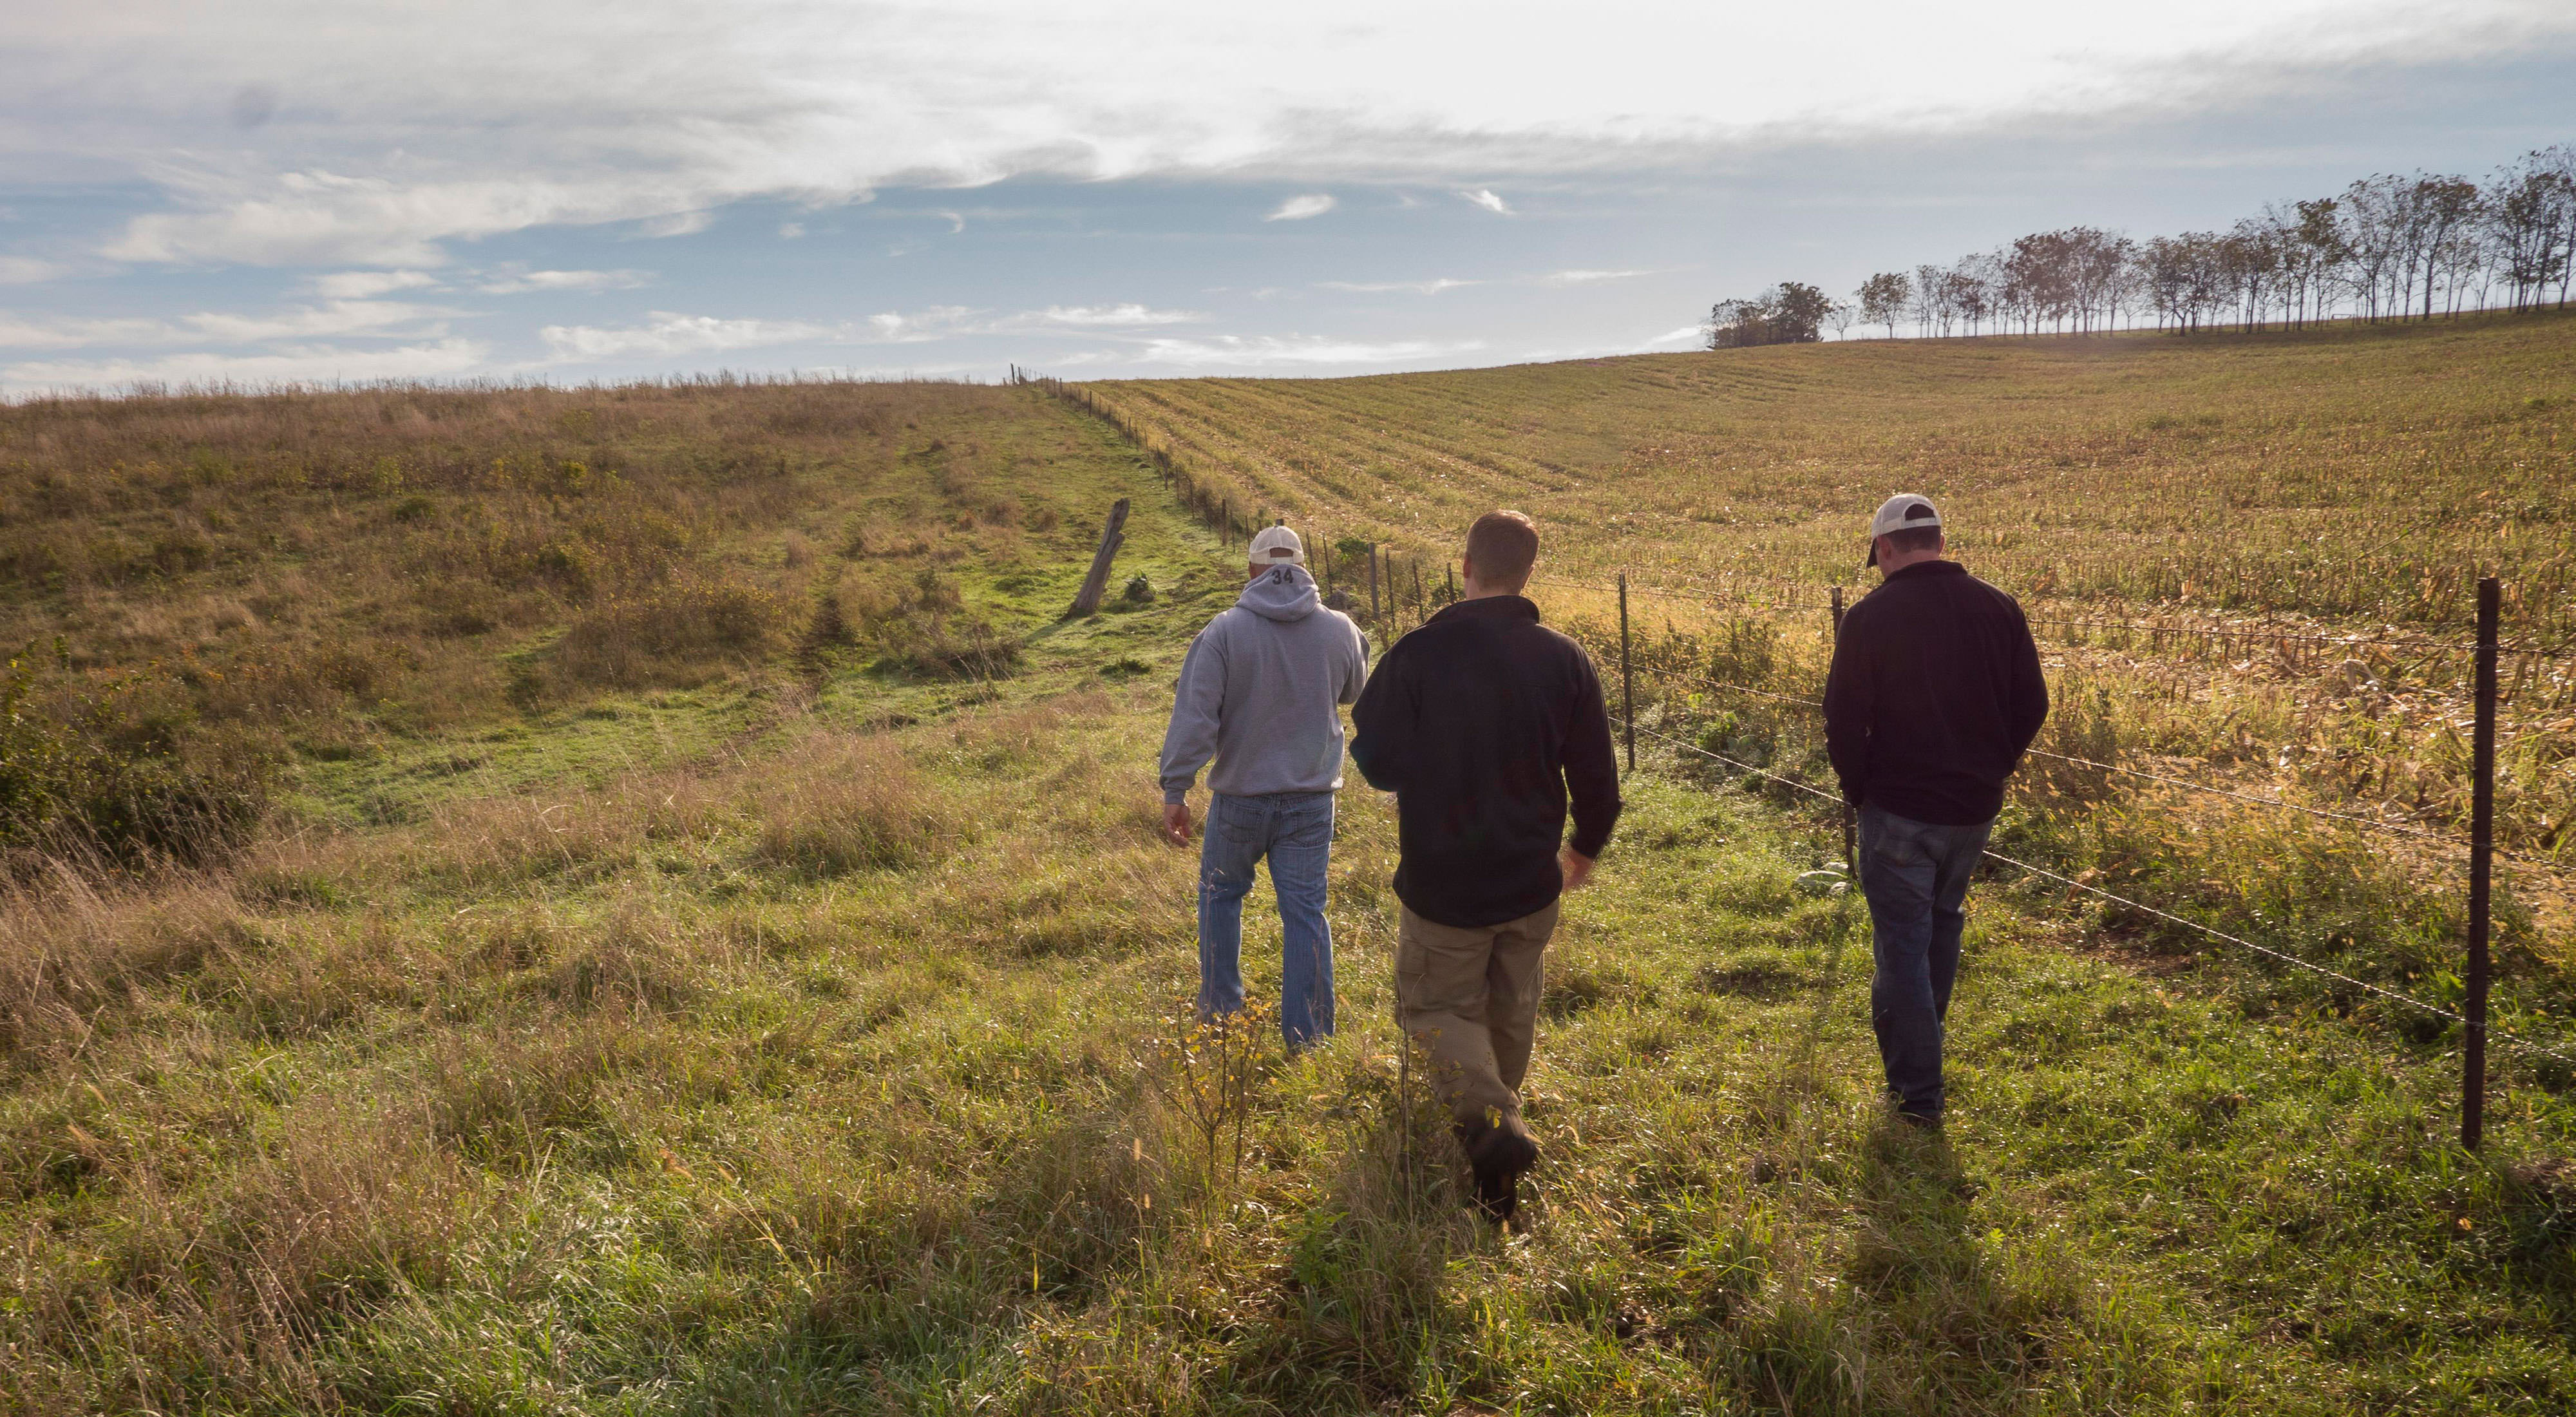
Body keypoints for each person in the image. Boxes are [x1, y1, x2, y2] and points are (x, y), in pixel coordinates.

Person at [1350, 510, 1622, 1223]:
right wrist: (1584, 847)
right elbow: (1598, 776)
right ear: (1529, 571)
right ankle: (1497, 1164)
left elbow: (1375, 762)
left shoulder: (1416, 655)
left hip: (1444, 880)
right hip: (1532, 877)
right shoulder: (1564, 658)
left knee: (1436, 1007)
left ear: (1463, 564)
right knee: (1510, 1009)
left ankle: (1496, 1131)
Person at [1823, 493, 2047, 1132]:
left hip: (1897, 810)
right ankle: (1922, 1054)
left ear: (1886, 548)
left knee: (1901, 947)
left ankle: (1917, 1097)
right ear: (1940, 542)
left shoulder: (1870, 617)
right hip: (1972, 811)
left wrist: (1858, 785)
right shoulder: (1999, 606)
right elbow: (2032, 702)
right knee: (1940, 926)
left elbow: (1843, 719)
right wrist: (1994, 766)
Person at [1160, 526, 1370, 1049]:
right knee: (1304, 912)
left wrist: (1176, 788)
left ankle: (1221, 1020)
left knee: (1220, 899)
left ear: (1252, 570)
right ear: (1303, 567)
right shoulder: (1341, 629)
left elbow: (1196, 718)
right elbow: (1353, 691)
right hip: (1311, 799)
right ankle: (1309, 1038)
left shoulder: (1224, 631)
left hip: (1239, 799)